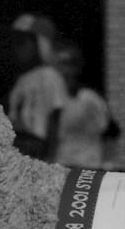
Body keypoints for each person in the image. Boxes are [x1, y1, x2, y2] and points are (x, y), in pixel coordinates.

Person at [46, 38, 117, 170]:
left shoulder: (89, 99)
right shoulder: (53, 99)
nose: (62, 70)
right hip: (61, 166)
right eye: (57, 65)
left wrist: (108, 163)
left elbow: (111, 131)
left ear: (76, 68)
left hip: (87, 168)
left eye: (66, 64)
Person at [6, 12, 68, 158]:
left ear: (40, 45)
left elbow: (55, 119)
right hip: (19, 143)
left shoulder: (49, 76)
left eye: (22, 42)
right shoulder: (23, 78)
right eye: (15, 43)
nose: (17, 49)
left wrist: (51, 158)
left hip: (36, 147)